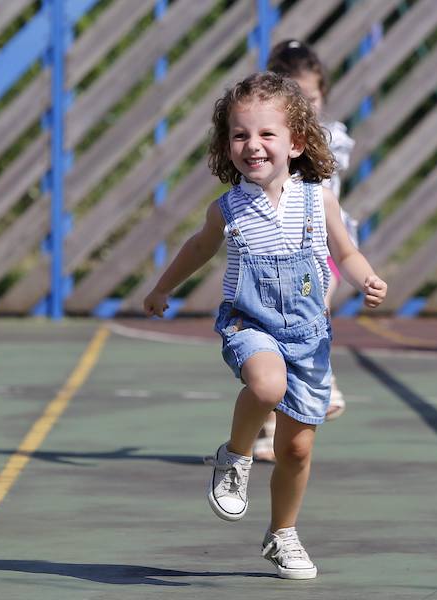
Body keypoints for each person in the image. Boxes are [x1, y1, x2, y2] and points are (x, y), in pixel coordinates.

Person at [143, 72, 386, 580]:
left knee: (296, 448)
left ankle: (282, 534)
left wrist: (366, 278)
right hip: (249, 324)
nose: (252, 145)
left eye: (266, 134)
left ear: (296, 142)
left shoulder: (319, 200)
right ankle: (233, 457)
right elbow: (198, 248)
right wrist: (164, 287)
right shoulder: (228, 209)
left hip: (308, 332)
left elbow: (345, 251)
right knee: (267, 384)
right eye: (239, 135)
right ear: (226, 143)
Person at [251, 39, 358, 461]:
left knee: (312, 314)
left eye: (310, 99)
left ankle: (323, 379)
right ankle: (268, 430)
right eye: (294, 99)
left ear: (322, 96)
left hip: (320, 245)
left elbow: (317, 178)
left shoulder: (331, 140)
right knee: (268, 336)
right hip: (271, 251)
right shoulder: (262, 141)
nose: (305, 107)